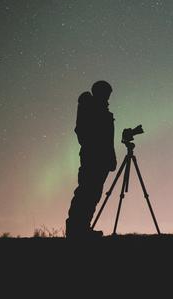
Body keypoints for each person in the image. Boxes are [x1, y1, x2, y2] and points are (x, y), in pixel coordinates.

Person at [65, 80, 117, 238]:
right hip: (93, 158)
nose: (108, 98)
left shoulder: (101, 109)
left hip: (100, 158)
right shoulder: (91, 107)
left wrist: (110, 157)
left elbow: (108, 138)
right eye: (106, 94)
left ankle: (83, 227)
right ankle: (76, 229)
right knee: (86, 192)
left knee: (93, 194)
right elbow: (83, 132)